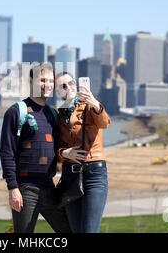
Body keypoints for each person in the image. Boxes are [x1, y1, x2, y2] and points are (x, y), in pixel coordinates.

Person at [0, 63, 71, 233]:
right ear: (31, 81)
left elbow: (59, 146)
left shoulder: (53, 114)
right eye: (42, 80)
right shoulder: (17, 111)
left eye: (50, 81)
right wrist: (13, 188)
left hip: (49, 187)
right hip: (25, 189)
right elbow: (6, 152)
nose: (47, 85)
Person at [55, 71, 111, 233]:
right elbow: (57, 147)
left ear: (77, 85)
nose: (68, 88)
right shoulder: (60, 114)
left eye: (71, 83)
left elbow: (104, 123)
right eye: (62, 86)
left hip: (94, 175)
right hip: (70, 176)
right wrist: (65, 153)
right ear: (58, 92)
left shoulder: (89, 106)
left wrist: (95, 103)